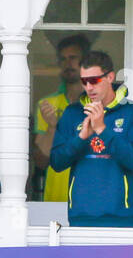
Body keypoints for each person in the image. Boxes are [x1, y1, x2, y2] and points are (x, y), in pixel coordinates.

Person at [49, 50, 133, 227]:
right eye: (84, 81)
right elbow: (57, 163)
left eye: (94, 80)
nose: (88, 87)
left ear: (110, 77)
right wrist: (80, 138)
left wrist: (102, 129)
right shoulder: (73, 113)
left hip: (123, 217)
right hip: (81, 216)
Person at [33, 34, 90, 202]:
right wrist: (52, 127)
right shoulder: (47, 104)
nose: (68, 63)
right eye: (63, 59)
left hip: (87, 195)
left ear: (85, 62)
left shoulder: (97, 103)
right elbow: (41, 161)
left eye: (73, 58)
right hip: (55, 196)